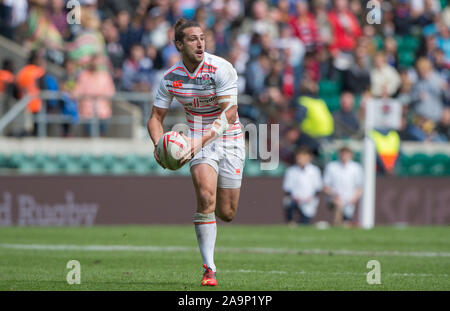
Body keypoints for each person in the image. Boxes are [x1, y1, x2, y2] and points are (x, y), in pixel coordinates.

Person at [147, 19, 244, 287]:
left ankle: (211, 250)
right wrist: (158, 144)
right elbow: (155, 118)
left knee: (227, 212)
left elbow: (230, 113)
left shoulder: (220, 68)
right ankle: (209, 269)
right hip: (196, 140)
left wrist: (199, 141)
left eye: (202, 37)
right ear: (179, 44)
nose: (200, 43)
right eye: (192, 39)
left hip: (229, 137)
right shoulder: (170, 79)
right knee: (205, 196)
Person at [323, 146, 363, 226]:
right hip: (334, 199)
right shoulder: (331, 167)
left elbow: (359, 187)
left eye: (347, 154)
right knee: (338, 207)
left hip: (349, 200)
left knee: (346, 222)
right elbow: (325, 186)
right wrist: (334, 195)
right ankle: (337, 223)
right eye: (343, 154)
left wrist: (354, 198)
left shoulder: (356, 168)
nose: (344, 156)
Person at [282, 147, 322, 226]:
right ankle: (290, 222)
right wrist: (296, 198)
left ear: (308, 158)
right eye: (298, 158)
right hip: (295, 200)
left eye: (302, 157)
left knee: (305, 222)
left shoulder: (314, 170)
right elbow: (287, 188)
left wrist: (308, 198)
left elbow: (318, 188)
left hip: (309, 201)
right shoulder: (291, 171)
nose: (300, 160)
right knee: (288, 202)